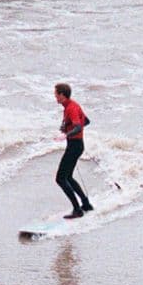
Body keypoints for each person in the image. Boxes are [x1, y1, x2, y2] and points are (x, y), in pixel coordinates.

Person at [53, 82, 94, 218]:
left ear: (62, 95)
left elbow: (78, 127)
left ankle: (77, 210)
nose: (55, 97)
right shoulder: (70, 106)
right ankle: (86, 204)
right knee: (68, 177)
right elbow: (86, 121)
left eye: (56, 94)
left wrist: (66, 134)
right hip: (76, 145)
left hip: (75, 146)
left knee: (60, 178)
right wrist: (67, 127)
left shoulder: (71, 108)